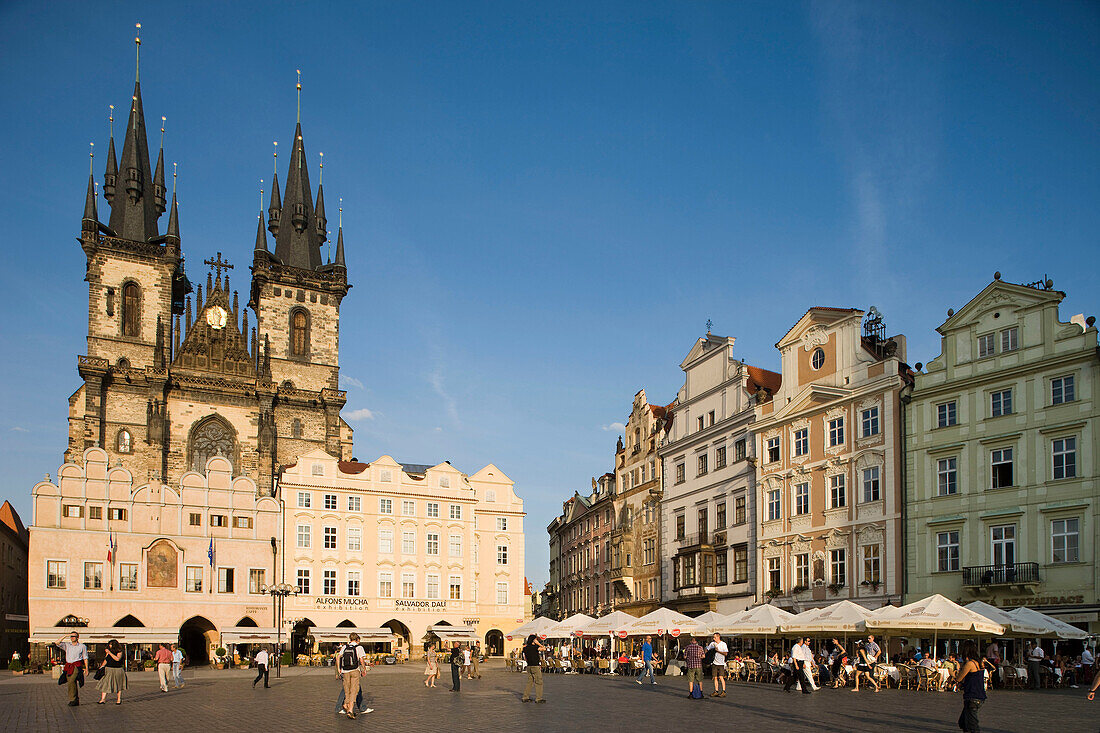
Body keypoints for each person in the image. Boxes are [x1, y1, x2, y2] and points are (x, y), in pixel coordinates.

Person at [337, 633, 371, 719]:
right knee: (354, 690)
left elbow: (338, 657)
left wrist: (339, 669)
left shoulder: (344, 647)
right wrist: (364, 669)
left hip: (345, 671)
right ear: (357, 639)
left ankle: (345, 704)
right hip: (354, 670)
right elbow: (361, 659)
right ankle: (350, 710)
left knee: (347, 689)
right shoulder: (359, 647)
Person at [954, 640, 986, 733]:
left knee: (972, 725)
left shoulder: (970, 664)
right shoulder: (979, 662)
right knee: (963, 722)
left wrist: (953, 673)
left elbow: (959, 678)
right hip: (979, 694)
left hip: (973, 695)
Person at [55, 631, 89, 706]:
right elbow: (57, 642)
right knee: (71, 682)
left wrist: (87, 668)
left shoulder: (82, 646)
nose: (72, 638)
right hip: (69, 665)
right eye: (71, 636)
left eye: (74, 636)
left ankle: (72, 699)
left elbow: (85, 658)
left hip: (76, 665)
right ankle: (75, 699)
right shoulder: (67, 645)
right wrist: (65, 635)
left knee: (71, 681)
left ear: (77, 637)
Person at [96, 639, 127, 705]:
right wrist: (101, 666)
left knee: (119, 684)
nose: (109, 646)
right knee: (105, 683)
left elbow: (117, 659)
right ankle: (102, 699)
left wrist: (110, 653)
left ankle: (119, 699)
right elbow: (106, 660)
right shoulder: (108, 652)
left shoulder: (119, 651)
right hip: (108, 669)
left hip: (117, 669)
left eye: (111, 644)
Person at [521, 634, 547, 703]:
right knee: (539, 682)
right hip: (535, 666)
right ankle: (538, 698)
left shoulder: (525, 648)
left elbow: (525, 658)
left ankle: (525, 697)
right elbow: (544, 648)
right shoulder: (535, 647)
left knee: (530, 682)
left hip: (529, 666)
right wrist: (538, 643)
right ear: (533, 640)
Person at [706, 633, 729, 697]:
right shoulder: (712, 644)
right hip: (714, 663)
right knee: (715, 677)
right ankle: (716, 690)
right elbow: (707, 649)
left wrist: (718, 651)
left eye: (714, 637)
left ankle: (723, 691)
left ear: (718, 637)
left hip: (721, 663)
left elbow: (726, 653)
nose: (713, 639)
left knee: (721, 677)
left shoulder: (723, 644)